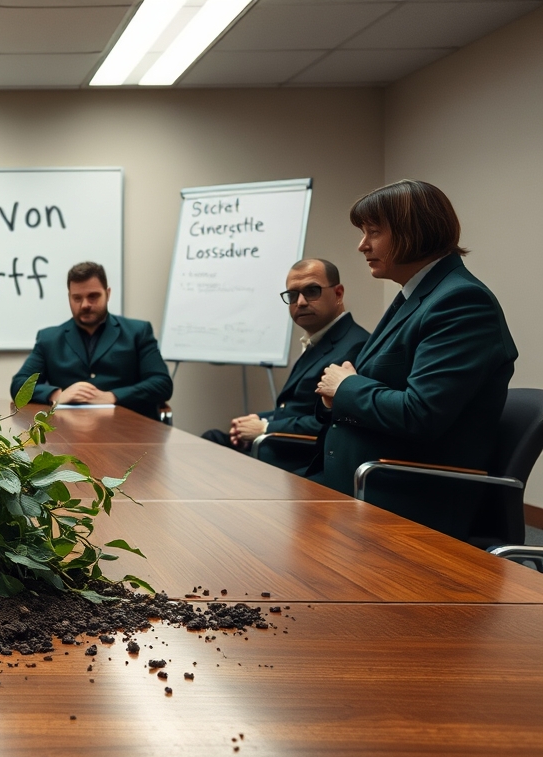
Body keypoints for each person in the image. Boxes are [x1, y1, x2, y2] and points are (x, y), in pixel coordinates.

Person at [308, 179, 517, 539]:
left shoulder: (462, 301)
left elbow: (420, 414)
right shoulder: (417, 295)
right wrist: (336, 396)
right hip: (361, 484)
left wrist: (346, 386)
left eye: (374, 232)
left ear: (413, 232)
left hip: (405, 500)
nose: (362, 245)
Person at [201, 259, 369, 472]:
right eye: (292, 295)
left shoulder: (353, 346)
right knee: (210, 441)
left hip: (301, 460)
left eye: (311, 291)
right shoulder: (320, 340)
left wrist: (264, 427)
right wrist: (257, 422)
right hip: (281, 445)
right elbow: (294, 408)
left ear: (338, 294)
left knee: (208, 452)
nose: (300, 302)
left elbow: (332, 424)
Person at [11, 262, 172, 419]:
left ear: (107, 294)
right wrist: (57, 394)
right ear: (69, 298)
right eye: (77, 298)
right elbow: (19, 385)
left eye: (93, 296)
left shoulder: (137, 332)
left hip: (127, 429)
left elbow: (162, 384)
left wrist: (112, 396)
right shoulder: (49, 339)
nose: (85, 305)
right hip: (67, 433)